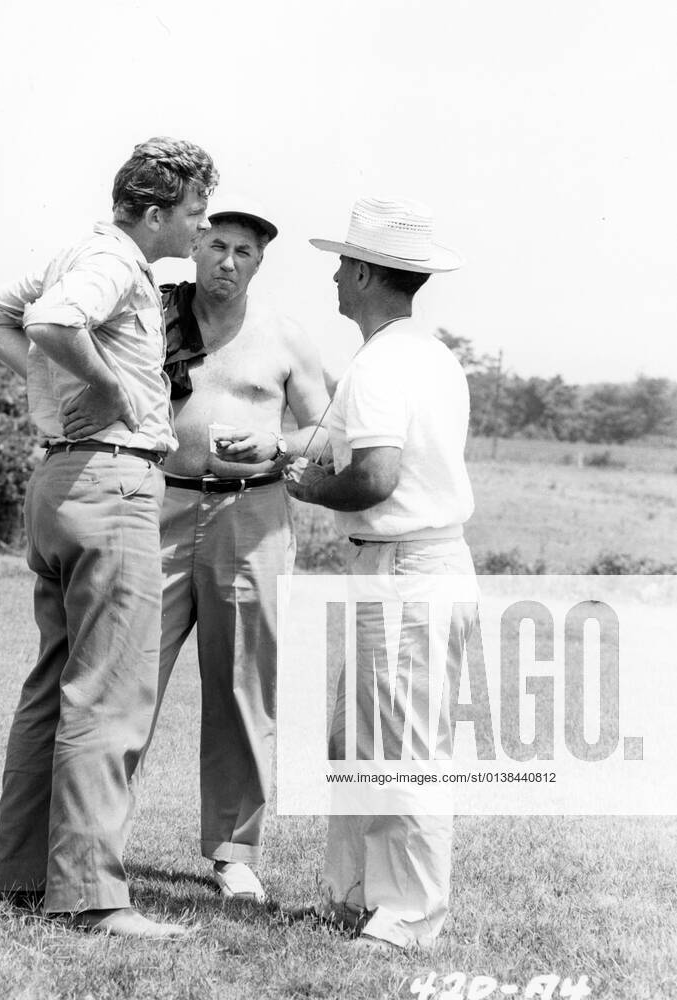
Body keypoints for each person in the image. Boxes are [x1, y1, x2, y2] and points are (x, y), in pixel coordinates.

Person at [0, 137, 218, 938]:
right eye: (193, 212)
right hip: (111, 484)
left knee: (54, 686)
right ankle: (92, 898)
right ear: (152, 213)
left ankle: (21, 878)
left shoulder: (80, 250)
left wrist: (58, 389)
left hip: (60, 481)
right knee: (109, 693)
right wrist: (103, 387)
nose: (201, 226)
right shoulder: (115, 263)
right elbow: (48, 320)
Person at [285, 197, 477, 953]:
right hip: (402, 569)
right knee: (360, 740)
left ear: (363, 272)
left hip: (405, 570)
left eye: (341, 263)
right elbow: (334, 441)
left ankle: (407, 917)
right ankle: (355, 898)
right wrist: (276, 450)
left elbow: (372, 478)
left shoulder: (382, 362)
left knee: (401, 746)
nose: (333, 275)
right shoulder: (418, 355)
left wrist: (303, 489)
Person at [147, 200, 330, 903]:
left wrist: (276, 446)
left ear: (259, 263)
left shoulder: (284, 336)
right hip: (156, 503)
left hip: (250, 516)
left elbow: (325, 431)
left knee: (242, 687)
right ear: (193, 247)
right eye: (216, 245)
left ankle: (233, 853)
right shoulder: (152, 318)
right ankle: (91, 840)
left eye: (243, 253)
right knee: (126, 675)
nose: (227, 262)